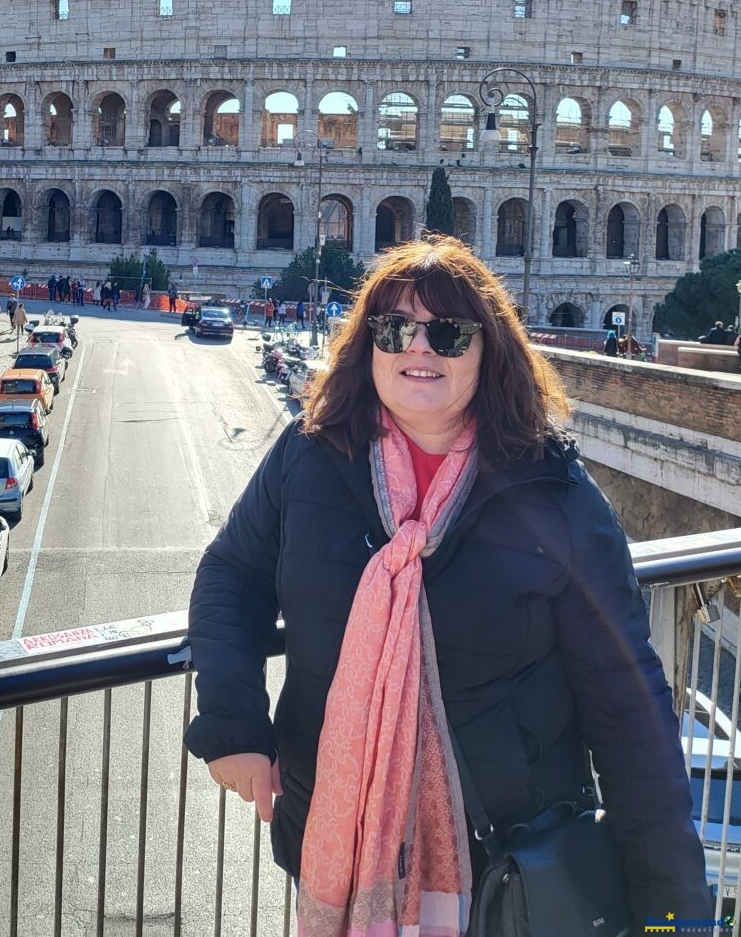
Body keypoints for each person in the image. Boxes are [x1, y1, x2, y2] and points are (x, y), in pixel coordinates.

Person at [184, 238, 710, 928]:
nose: (418, 349)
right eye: (395, 328)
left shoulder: (553, 493)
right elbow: (232, 573)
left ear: (489, 351)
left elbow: (628, 709)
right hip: (337, 836)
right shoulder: (310, 454)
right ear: (368, 344)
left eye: (450, 333)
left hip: (507, 864)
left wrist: (675, 912)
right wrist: (232, 722)